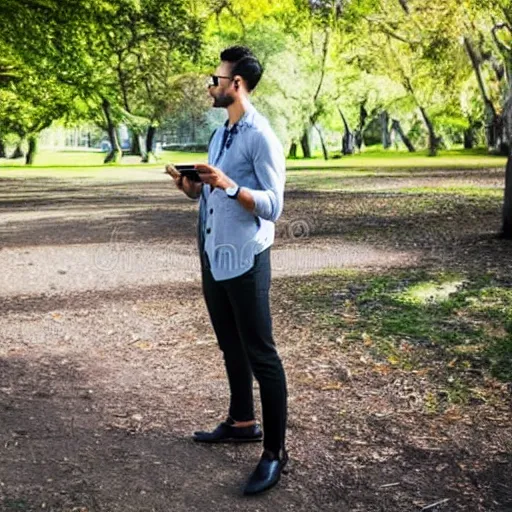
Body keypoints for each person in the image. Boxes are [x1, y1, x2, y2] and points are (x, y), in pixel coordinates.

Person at [165, 46, 288, 496]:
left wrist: (230, 185)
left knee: (262, 354)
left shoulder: (261, 136)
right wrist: (190, 187)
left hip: (247, 258)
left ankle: (275, 452)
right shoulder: (222, 134)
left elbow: (273, 205)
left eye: (216, 79)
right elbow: (209, 194)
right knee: (230, 345)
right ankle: (242, 422)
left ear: (236, 85)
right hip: (213, 253)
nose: (211, 86)